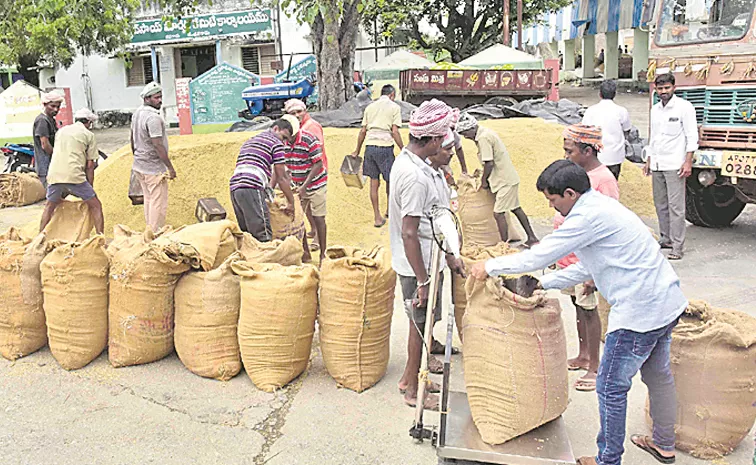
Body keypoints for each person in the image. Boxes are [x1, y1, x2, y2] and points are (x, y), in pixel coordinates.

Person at [470, 160, 686, 465]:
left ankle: (608, 460)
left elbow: (541, 254)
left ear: (570, 193)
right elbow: (590, 264)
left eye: (552, 199)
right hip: (666, 302)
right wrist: (545, 283)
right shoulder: (602, 207)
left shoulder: (585, 217)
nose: (551, 206)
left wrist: (489, 266)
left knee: (610, 386)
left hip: (640, 314)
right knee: (658, 375)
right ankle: (664, 444)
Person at [390, 99, 463, 410]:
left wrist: (448, 254)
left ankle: (415, 377)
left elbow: (435, 218)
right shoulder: (415, 176)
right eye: (443, 137)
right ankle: (410, 387)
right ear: (432, 140)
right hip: (417, 266)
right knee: (418, 325)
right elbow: (409, 232)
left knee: (424, 322)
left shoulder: (420, 166)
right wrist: (422, 279)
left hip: (428, 260)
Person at [559, 125, 620, 392]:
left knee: (589, 309)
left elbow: (609, 226)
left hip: (588, 261)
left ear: (587, 150)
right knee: (577, 304)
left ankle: (595, 367)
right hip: (571, 257)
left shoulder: (603, 179)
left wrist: (596, 272)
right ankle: (583, 354)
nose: (565, 155)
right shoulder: (578, 174)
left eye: (569, 150)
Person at [456, 113, 539, 246]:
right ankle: (532, 238)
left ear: (471, 129)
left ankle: (504, 245)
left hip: (504, 181)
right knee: (516, 208)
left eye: (465, 133)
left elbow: (489, 163)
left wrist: (483, 182)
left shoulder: (483, 138)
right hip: (506, 178)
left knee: (498, 213)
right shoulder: (484, 133)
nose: (465, 137)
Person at [644, 73, 698, 261]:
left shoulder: (684, 107)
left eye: (667, 88)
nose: (663, 92)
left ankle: (677, 246)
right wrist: (649, 159)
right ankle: (665, 238)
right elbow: (653, 136)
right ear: (656, 90)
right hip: (658, 163)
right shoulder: (655, 109)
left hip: (676, 164)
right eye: (660, 89)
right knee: (660, 204)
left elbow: (692, 137)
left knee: (676, 207)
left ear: (674, 87)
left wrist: (688, 161)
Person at [230, 116, 297, 242]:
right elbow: (282, 177)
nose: (284, 143)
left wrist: (268, 190)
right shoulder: (276, 143)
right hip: (252, 187)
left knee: (248, 238)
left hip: (235, 188)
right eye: (284, 138)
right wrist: (291, 203)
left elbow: (275, 173)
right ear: (276, 128)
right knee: (263, 236)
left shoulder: (252, 140)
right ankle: (265, 260)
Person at [39, 108, 104, 235]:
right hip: (74, 175)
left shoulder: (61, 132)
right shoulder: (88, 135)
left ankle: (40, 237)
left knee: (49, 206)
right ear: (88, 122)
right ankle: (99, 237)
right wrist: (90, 187)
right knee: (96, 206)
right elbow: (90, 165)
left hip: (54, 175)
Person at [350, 84, 404, 228]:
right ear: (392, 95)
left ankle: (377, 217)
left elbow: (362, 131)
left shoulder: (370, 108)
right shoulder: (394, 108)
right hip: (385, 148)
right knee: (390, 182)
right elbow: (395, 132)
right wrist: (403, 148)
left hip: (370, 148)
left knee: (374, 183)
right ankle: (390, 211)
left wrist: (357, 150)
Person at [130, 82, 176, 232]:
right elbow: (157, 144)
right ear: (147, 98)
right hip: (153, 168)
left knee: (149, 199)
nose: (160, 100)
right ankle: (155, 232)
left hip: (140, 165)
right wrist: (169, 167)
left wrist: (136, 156)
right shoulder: (153, 118)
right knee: (158, 201)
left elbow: (132, 138)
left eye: (161, 97)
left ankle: (149, 230)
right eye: (157, 97)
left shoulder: (137, 113)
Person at [283, 116, 327, 262]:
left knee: (318, 217)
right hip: (297, 185)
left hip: (316, 183)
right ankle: (305, 254)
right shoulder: (283, 142)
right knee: (298, 220)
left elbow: (318, 164)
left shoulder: (309, 139)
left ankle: (323, 254)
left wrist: (304, 186)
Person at [581, 80, 632, 179]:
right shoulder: (621, 111)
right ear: (614, 94)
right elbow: (627, 130)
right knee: (612, 182)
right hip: (615, 156)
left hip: (595, 156)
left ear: (600, 94)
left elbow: (584, 131)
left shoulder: (591, 111)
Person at [34, 92, 64, 187]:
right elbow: (45, 144)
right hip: (46, 165)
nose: (55, 109)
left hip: (51, 164)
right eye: (52, 106)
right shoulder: (42, 120)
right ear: (45, 104)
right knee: (51, 195)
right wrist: (57, 158)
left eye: (58, 107)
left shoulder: (51, 120)